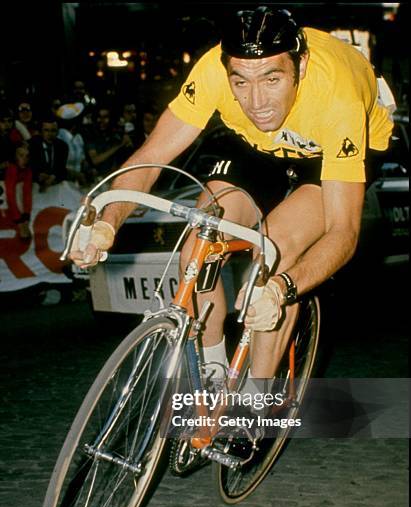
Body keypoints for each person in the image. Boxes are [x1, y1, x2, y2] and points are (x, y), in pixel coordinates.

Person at [69, 7, 393, 381]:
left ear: (300, 67)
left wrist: (281, 290)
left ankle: (256, 401)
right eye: (241, 82)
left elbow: (343, 232)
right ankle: (213, 374)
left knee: (274, 254)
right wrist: (107, 224)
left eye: (272, 79)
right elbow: (151, 156)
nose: (257, 101)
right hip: (252, 143)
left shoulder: (339, 98)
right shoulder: (212, 72)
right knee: (198, 245)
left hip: (324, 152)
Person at [29, 117, 69, 192]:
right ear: (41, 131)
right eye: (46, 130)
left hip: (55, 185)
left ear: (57, 132)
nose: (50, 134)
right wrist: (38, 175)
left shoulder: (63, 146)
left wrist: (53, 177)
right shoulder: (32, 144)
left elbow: (62, 169)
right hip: (35, 185)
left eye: (53, 130)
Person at [4, 142, 33, 239]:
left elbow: (27, 192)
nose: (25, 159)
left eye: (27, 156)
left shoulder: (28, 169)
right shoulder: (12, 168)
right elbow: (10, 194)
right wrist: (19, 219)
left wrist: (26, 215)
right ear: (15, 157)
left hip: (18, 204)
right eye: (21, 155)